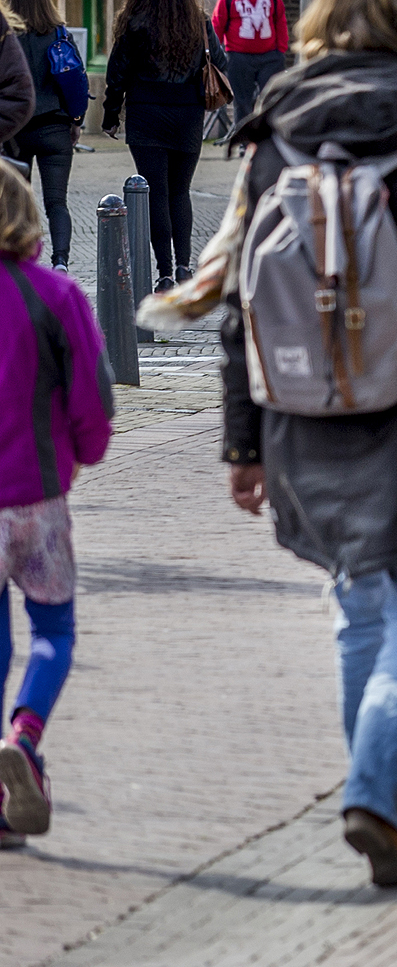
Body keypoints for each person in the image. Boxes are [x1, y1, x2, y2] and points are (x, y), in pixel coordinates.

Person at [211, 0, 397, 889]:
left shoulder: (272, 136)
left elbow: (239, 301)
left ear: (316, 26)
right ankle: (375, 794)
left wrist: (242, 444)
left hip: (299, 408)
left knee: (359, 608)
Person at [0, 164, 108, 848]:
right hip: (35, 495)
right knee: (52, 630)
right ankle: (24, 733)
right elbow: (92, 398)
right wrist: (84, 451)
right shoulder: (57, 295)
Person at [100, 0, 218, 290]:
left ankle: (164, 273)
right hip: (188, 116)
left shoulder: (134, 23)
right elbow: (219, 61)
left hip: (146, 116)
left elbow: (117, 74)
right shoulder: (198, 23)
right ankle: (184, 267)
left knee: (155, 194)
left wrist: (110, 116)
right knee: (180, 192)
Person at [4, 0, 65, 270]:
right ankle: (61, 260)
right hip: (55, 127)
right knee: (57, 202)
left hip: (17, 131)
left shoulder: (9, 37)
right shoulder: (58, 34)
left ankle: (23, 256)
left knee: (16, 198)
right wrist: (75, 121)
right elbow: (73, 80)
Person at [210, 0, 292, 136]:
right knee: (242, 102)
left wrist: (281, 50)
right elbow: (217, 25)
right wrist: (216, 54)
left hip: (270, 56)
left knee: (272, 97)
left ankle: (270, 135)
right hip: (239, 57)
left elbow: (280, 20)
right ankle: (244, 138)